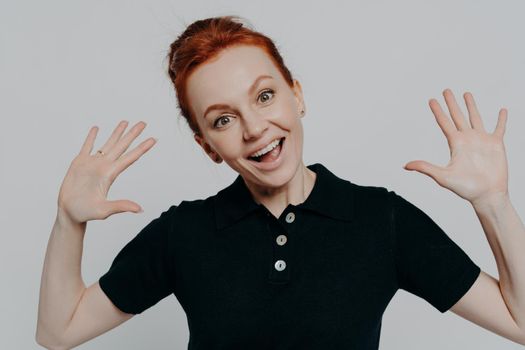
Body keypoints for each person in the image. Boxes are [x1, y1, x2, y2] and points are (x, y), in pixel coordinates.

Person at [36, 15, 525, 350]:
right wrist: (68, 220)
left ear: (297, 95)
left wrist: (493, 203)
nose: (254, 129)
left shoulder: (381, 220)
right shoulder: (184, 233)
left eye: (265, 96)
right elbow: (58, 331)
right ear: (206, 144)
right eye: (223, 120)